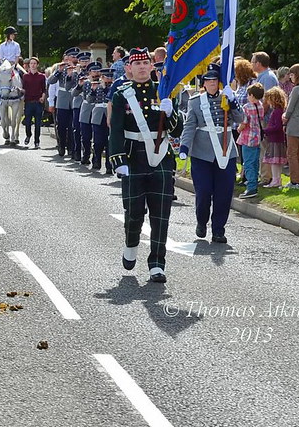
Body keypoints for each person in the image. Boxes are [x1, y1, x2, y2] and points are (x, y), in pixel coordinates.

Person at [108, 48, 183, 284]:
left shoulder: (163, 93)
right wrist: (118, 159)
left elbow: (177, 130)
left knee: (161, 214)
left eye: (145, 64)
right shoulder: (122, 94)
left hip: (160, 157)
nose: (141, 67)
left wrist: (171, 113)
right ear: (128, 68)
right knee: (134, 213)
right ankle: (131, 243)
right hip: (133, 157)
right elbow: (116, 129)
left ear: (152, 67)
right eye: (136, 64)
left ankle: (157, 264)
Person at [179, 65, 243, 243]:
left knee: (224, 193)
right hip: (202, 152)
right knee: (204, 191)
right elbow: (190, 125)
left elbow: (241, 119)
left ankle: (218, 229)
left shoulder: (228, 97)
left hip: (225, 151)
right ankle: (201, 221)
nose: (212, 84)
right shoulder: (196, 101)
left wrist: (233, 103)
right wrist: (184, 147)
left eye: (214, 81)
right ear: (204, 83)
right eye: (208, 81)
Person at [48, 49, 80, 157]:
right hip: (62, 98)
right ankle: (61, 145)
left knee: (72, 126)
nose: (72, 59)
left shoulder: (80, 68)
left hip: (75, 98)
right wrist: (59, 71)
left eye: (75, 57)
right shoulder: (61, 68)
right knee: (61, 125)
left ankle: (71, 148)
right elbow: (50, 81)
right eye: (70, 57)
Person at [238, 83, 265, 198]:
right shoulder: (260, 106)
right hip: (257, 137)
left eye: (248, 95)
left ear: (252, 95)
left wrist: (239, 128)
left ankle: (251, 187)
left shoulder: (247, 107)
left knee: (248, 163)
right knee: (254, 162)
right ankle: (254, 183)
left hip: (247, 138)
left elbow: (244, 123)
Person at [20, 57, 47, 149]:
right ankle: (28, 135)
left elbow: (44, 89)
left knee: (38, 124)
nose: (33, 65)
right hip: (28, 102)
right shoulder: (25, 76)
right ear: (29, 65)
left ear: (37, 65)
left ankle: (37, 141)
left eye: (34, 63)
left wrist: (42, 97)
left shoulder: (42, 76)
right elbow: (24, 88)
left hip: (38, 102)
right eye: (31, 63)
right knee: (27, 122)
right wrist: (19, 90)